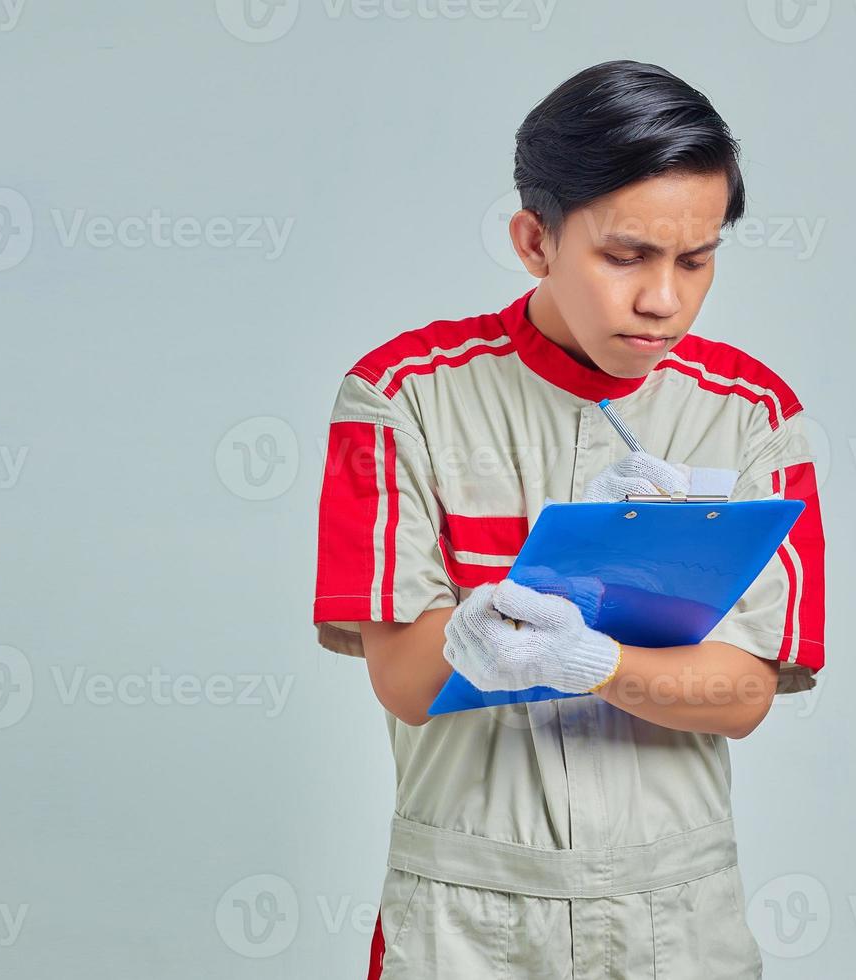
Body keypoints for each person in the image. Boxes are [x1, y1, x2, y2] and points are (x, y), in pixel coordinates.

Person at [312, 59, 826, 980]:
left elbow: (746, 696)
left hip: (679, 916)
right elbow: (402, 683)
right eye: (625, 255)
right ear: (534, 240)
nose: (662, 298)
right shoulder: (399, 397)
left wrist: (593, 660)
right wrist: (482, 629)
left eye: (695, 259)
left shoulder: (754, 414)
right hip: (466, 918)